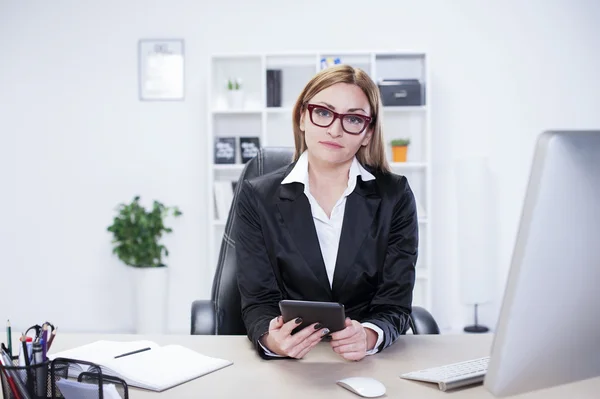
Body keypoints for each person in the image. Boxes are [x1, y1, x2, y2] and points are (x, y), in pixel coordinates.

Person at [235, 64, 419, 361]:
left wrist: (369, 336)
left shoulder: (394, 196)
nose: (335, 129)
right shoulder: (258, 196)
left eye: (353, 119)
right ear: (302, 118)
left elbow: (394, 303)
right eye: (323, 112)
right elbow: (258, 300)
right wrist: (272, 341)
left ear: (368, 133)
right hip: (290, 363)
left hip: (364, 360)